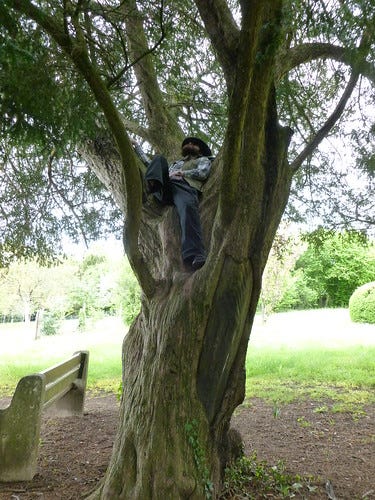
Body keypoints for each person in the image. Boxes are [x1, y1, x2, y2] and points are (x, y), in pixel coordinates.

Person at [132, 137, 213, 271]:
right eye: (187, 143)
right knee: (158, 160)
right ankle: (152, 185)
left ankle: (195, 254)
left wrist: (182, 173)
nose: (189, 144)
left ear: (200, 150)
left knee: (188, 209)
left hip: (184, 187)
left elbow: (202, 173)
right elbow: (149, 163)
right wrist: (137, 147)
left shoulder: (203, 160)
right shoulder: (174, 164)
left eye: (194, 144)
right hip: (166, 186)